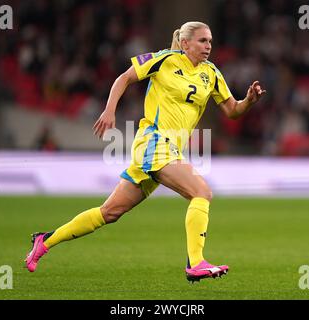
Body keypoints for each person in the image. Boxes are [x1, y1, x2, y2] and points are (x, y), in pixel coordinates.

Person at [25, 21, 266, 282]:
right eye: (202, 41)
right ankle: (195, 263)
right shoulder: (163, 60)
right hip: (153, 141)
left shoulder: (212, 74)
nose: (208, 46)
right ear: (185, 43)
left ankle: (45, 241)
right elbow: (124, 78)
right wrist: (109, 110)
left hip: (169, 150)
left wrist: (249, 101)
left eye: (209, 41)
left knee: (110, 212)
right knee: (202, 192)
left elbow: (232, 110)